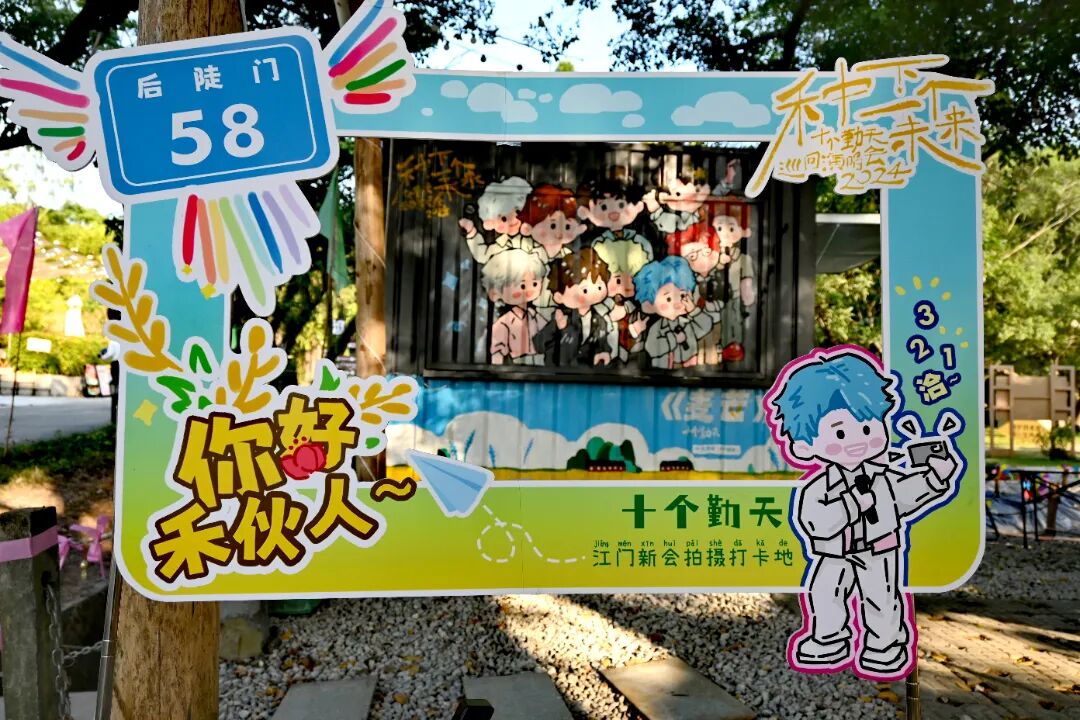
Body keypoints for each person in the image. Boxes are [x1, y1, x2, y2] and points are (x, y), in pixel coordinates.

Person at [764, 347, 959, 678]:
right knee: (824, 595)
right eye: (840, 433)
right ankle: (828, 639)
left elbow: (905, 495)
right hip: (833, 554)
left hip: (879, 549)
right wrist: (855, 504)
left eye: (869, 428)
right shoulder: (818, 487)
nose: (857, 440)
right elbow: (816, 521)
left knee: (882, 598)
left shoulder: (883, 477)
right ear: (804, 445)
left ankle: (885, 645)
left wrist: (934, 478)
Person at [534, 248, 616, 367]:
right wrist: (559, 328)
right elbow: (538, 345)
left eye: (599, 287)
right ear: (559, 296)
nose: (593, 293)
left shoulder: (599, 321)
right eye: (585, 290)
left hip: (587, 373)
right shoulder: (560, 318)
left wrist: (603, 353)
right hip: (559, 373)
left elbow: (602, 344)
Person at [635, 256, 715, 369]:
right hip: (664, 372)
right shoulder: (657, 328)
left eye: (682, 295)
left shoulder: (687, 322)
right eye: (668, 299)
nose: (676, 303)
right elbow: (651, 348)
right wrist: (674, 339)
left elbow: (706, 326)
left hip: (690, 369)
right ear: (650, 304)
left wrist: (693, 311)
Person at [481, 248, 549, 366]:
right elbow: (496, 352)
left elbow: (548, 335)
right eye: (522, 285)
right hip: (515, 369)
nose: (528, 290)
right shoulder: (503, 324)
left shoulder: (535, 316)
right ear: (496, 292)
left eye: (534, 283)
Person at [593, 237, 651, 364]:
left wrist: (635, 331)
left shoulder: (635, 312)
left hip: (627, 365)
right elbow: (593, 338)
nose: (625, 286)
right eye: (618, 280)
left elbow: (639, 347)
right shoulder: (598, 311)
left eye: (631, 281)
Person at [458, 176, 533, 264]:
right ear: (490, 223)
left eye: (517, 212)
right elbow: (482, 255)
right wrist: (472, 233)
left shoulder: (529, 241)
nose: (512, 220)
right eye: (503, 219)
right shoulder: (499, 245)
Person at [578, 178, 653, 261]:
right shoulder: (598, 242)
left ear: (638, 206)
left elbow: (649, 260)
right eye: (604, 207)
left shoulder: (640, 241)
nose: (613, 213)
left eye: (621, 205)